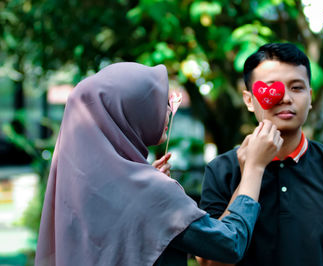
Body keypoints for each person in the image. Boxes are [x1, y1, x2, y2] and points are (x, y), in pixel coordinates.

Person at [34, 62, 284, 266]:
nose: (168, 111)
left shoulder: (83, 187)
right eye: (160, 103)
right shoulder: (150, 194)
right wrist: (254, 168)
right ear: (131, 110)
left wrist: (149, 185)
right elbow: (229, 244)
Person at [198, 43, 323, 266]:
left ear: (310, 96)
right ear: (249, 100)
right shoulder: (221, 171)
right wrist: (252, 171)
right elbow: (210, 263)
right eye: (271, 87)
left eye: (297, 88)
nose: (285, 98)